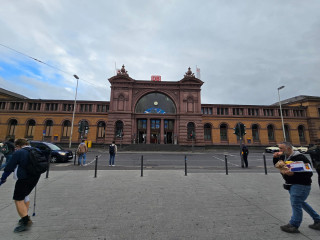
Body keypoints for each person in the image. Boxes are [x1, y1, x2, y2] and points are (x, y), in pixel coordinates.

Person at [273, 142, 320, 233]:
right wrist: (275, 159)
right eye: (279, 149)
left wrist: (294, 174)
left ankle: (294, 225)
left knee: (296, 204)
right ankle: (318, 220)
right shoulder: (284, 157)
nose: (279, 151)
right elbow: (279, 166)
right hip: (292, 184)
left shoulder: (300, 158)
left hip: (301, 185)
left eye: (281, 149)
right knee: (301, 203)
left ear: (289, 149)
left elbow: (308, 173)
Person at [0, 139, 40, 233]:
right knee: (25, 195)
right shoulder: (35, 150)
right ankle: (25, 215)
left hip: (24, 178)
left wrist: (3, 179)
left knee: (18, 199)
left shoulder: (20, 152)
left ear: (18, 146)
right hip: (34, 177)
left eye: (16, 147)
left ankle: (26, 221)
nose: (15, 149)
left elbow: (9, 167)